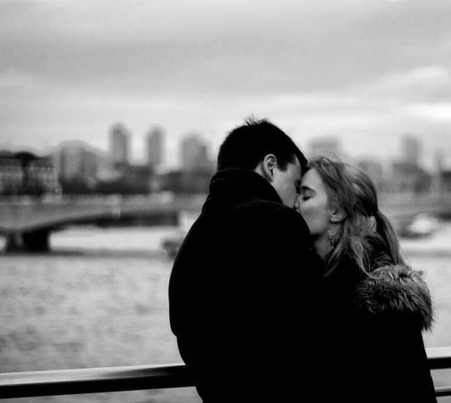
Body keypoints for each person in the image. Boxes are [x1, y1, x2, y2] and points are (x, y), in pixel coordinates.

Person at [169, 117, 324, 403]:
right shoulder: (280, 221)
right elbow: (315, 328)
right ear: (270, 166)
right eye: (296, 184)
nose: (296, 202)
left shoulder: (194, 238)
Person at [294, 154, 437, 402]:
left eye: (306, 196)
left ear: (337, 211)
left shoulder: (381, 299)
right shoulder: (319, 279)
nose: (295, 203)